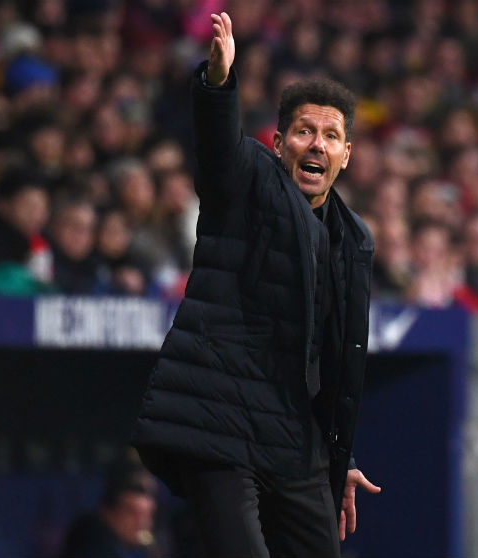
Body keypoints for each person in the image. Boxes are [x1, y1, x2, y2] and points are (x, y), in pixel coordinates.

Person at [131, 13, 380, 557]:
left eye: (330, 136)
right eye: (304, 131)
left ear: (346, 155)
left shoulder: (353, 239)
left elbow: (334, 361)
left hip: (296, 441)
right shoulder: (248, 178)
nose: (316, 144)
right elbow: (219, 143)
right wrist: (218, 83)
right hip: (221, 425)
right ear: (278, 141)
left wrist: (343, 461)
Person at [62, 463, 159, 558]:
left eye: (148, 515)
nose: (142, 523)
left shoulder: (130, 547)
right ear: (107, 513)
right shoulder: (91, 544)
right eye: (133, 514)